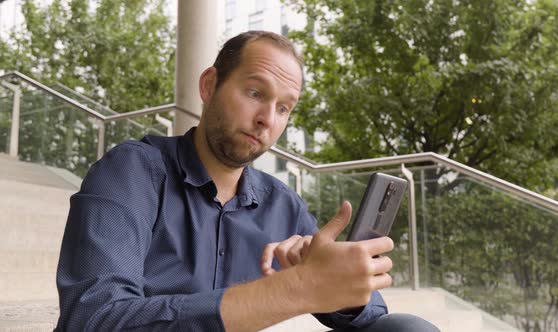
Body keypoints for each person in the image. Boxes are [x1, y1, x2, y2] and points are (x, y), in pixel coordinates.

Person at [55, 31, 440, 332]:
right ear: (209, 86)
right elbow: (93, 319)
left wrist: (335, 282)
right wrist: (293, 289)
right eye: (256, 93)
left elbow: (372, 310)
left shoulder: (282, 204)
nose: (267, 119)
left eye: (284, 107)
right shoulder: (132, 171)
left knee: (406, 329)